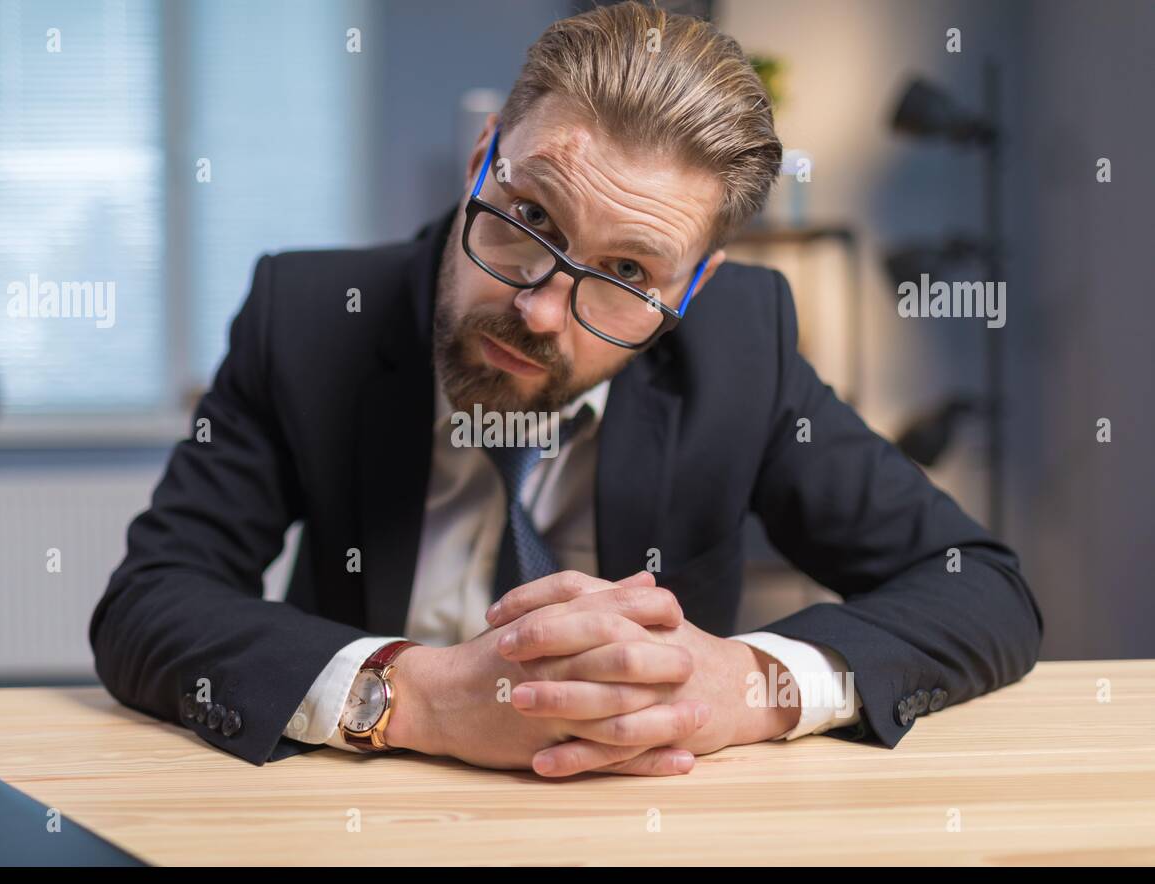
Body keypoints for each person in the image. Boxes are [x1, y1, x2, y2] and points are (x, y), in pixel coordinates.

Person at [90, 1, 1041, 778]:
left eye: (627, 273)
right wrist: (412, 697)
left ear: (692, 289)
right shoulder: (306, 317)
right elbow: (151, 602)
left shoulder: (741, 343)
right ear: (482, 161)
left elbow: (978, 585)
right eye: (530, 217)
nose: (542, 312)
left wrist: (752, 685)